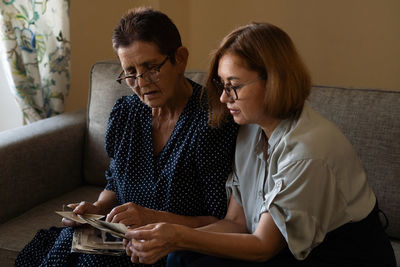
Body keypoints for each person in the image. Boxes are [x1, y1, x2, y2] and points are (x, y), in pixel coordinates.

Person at [123, 22, 396, 267]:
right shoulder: (250, 129)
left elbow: (264, 247)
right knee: (180, 257)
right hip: (279, 245)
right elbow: (236, 223)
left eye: (234, 86)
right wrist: (162, 238)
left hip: (338, 256)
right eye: (221, 85)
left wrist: (177, 235)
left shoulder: (307, 152)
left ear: (273, 80)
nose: (223, 98)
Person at [15, 7, 238, 267]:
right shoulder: (125, 113)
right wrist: (97, 209)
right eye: (130, 72)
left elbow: (219, 221)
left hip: (162, 248)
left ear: (180, 58)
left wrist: (150, 217)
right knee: (52, 250)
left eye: (151, 67)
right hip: (114, 238)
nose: (141, 82)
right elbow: (114, 182)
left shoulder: (212, 122)